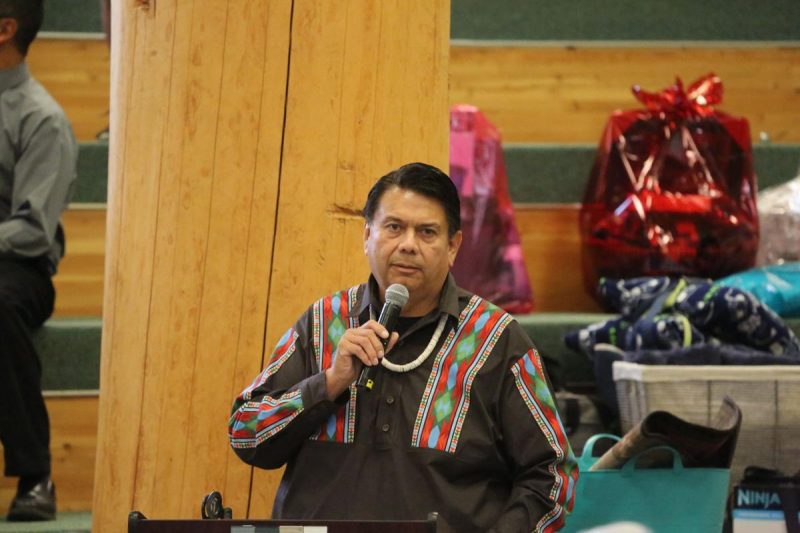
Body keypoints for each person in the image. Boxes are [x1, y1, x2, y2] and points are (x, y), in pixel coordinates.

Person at [229, 163, 577, 532]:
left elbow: (554, 474)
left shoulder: (495, 339)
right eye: (394, 227)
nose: (408, 244)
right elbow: (245, 432)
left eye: (427, 232)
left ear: (453, 246)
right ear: (367, 235)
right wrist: (329, 383)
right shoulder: (323, 323)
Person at [0, 0, 78, 521]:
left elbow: (31, 230)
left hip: (18, 267)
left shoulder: (41, 118)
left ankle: (35, 476)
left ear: (5, 29)